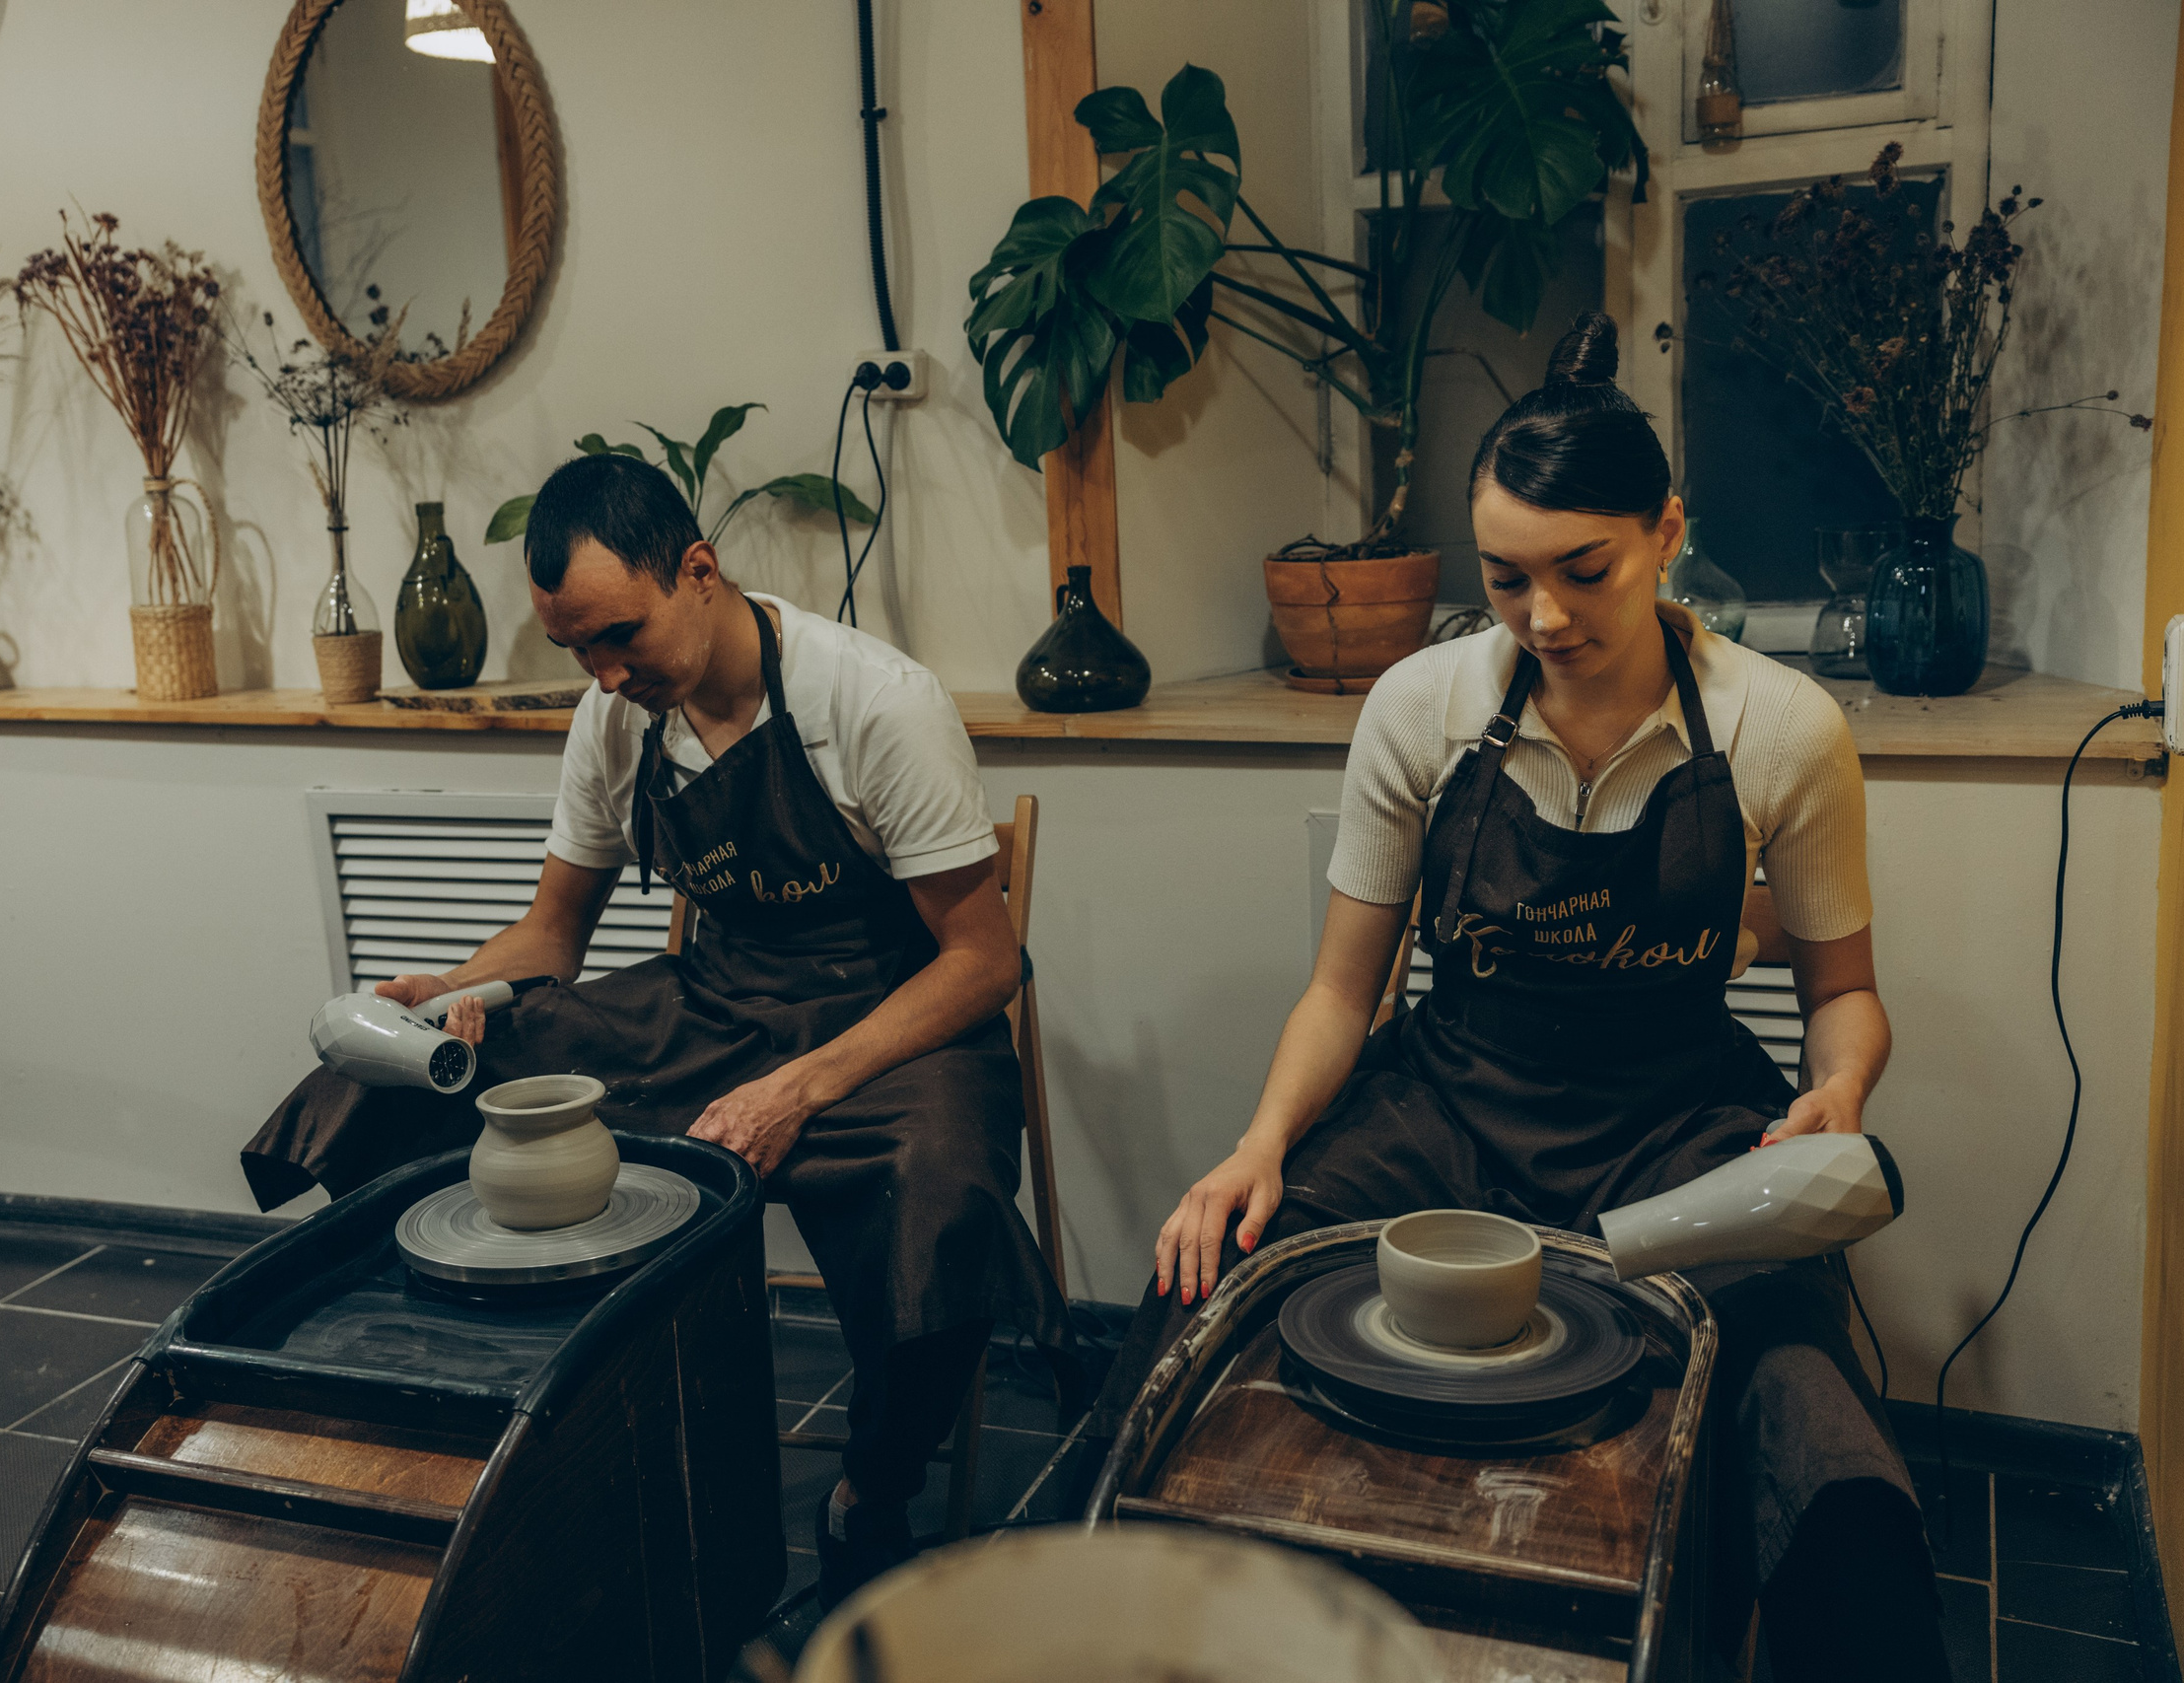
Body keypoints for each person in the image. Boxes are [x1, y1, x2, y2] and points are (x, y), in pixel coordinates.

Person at [1110, 313, 1945, 1680]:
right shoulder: (1420, 707)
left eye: (1584, 569)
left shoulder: (1784, 727)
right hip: (1446, 1101)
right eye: (1504, 578)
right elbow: (1342, 988)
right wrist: (1253, 1148)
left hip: (1681, 1123)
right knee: (1199, 1293)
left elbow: (1845, 990)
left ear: (1665, 531)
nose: (1545, 615)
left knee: (1807, 1399)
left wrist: (1837, 1093)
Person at [244, 452, 1070, 1606]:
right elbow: (552, 938)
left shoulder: (875, 703)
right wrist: (448, 989)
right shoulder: (618, 718)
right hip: (714, 1003)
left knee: (943, 1189)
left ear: (698, 570)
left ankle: (871, 1490)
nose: (604, 670)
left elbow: (984, 964)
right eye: (579, 648)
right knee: (403, 1082)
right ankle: (472, 1411)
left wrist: (806, 1088)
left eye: (620, 635)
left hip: (887, 1020)